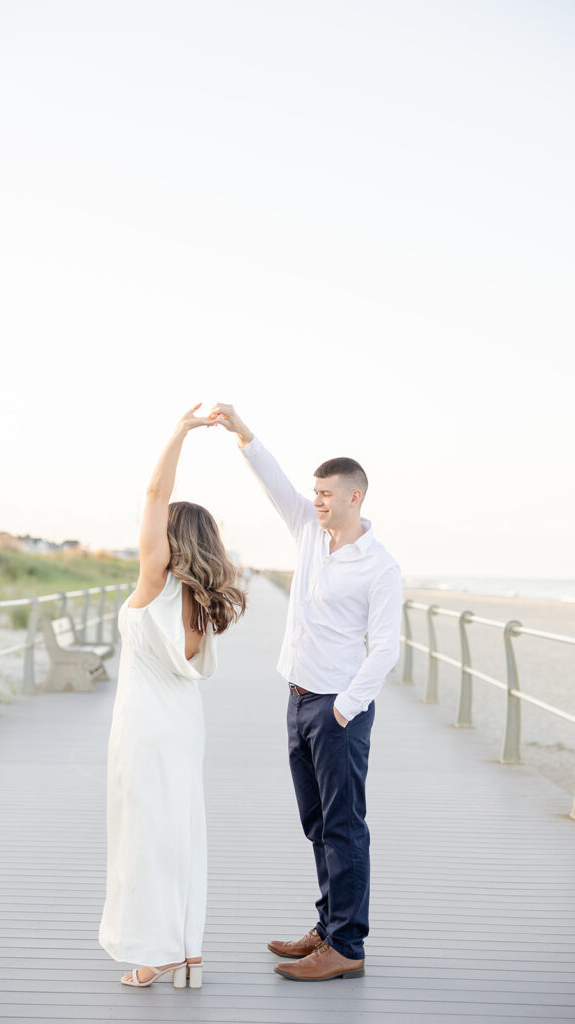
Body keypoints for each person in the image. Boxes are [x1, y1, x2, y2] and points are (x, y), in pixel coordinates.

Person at [210, 402, 402, 982]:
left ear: (354, 498)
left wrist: (344, 708)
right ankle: (327, 926)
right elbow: (272, 480)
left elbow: (386, 648)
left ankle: (347, 946)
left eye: (326, 493)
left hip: (337, 710)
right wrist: (242, 431)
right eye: (313, 492)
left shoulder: (380, 567)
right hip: (297, 700)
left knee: (345, 827)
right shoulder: (308, 535)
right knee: (317, 823)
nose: (315, 500)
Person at [98, 404, 246, 989]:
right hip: (184, 730)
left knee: (144, 839)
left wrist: (180, 431)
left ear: (169, 538)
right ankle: (188, 952)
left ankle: (156, 954)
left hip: (145, 732)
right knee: (182, 834)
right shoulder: (202, 602)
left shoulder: (154, 582)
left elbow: (156, 490)